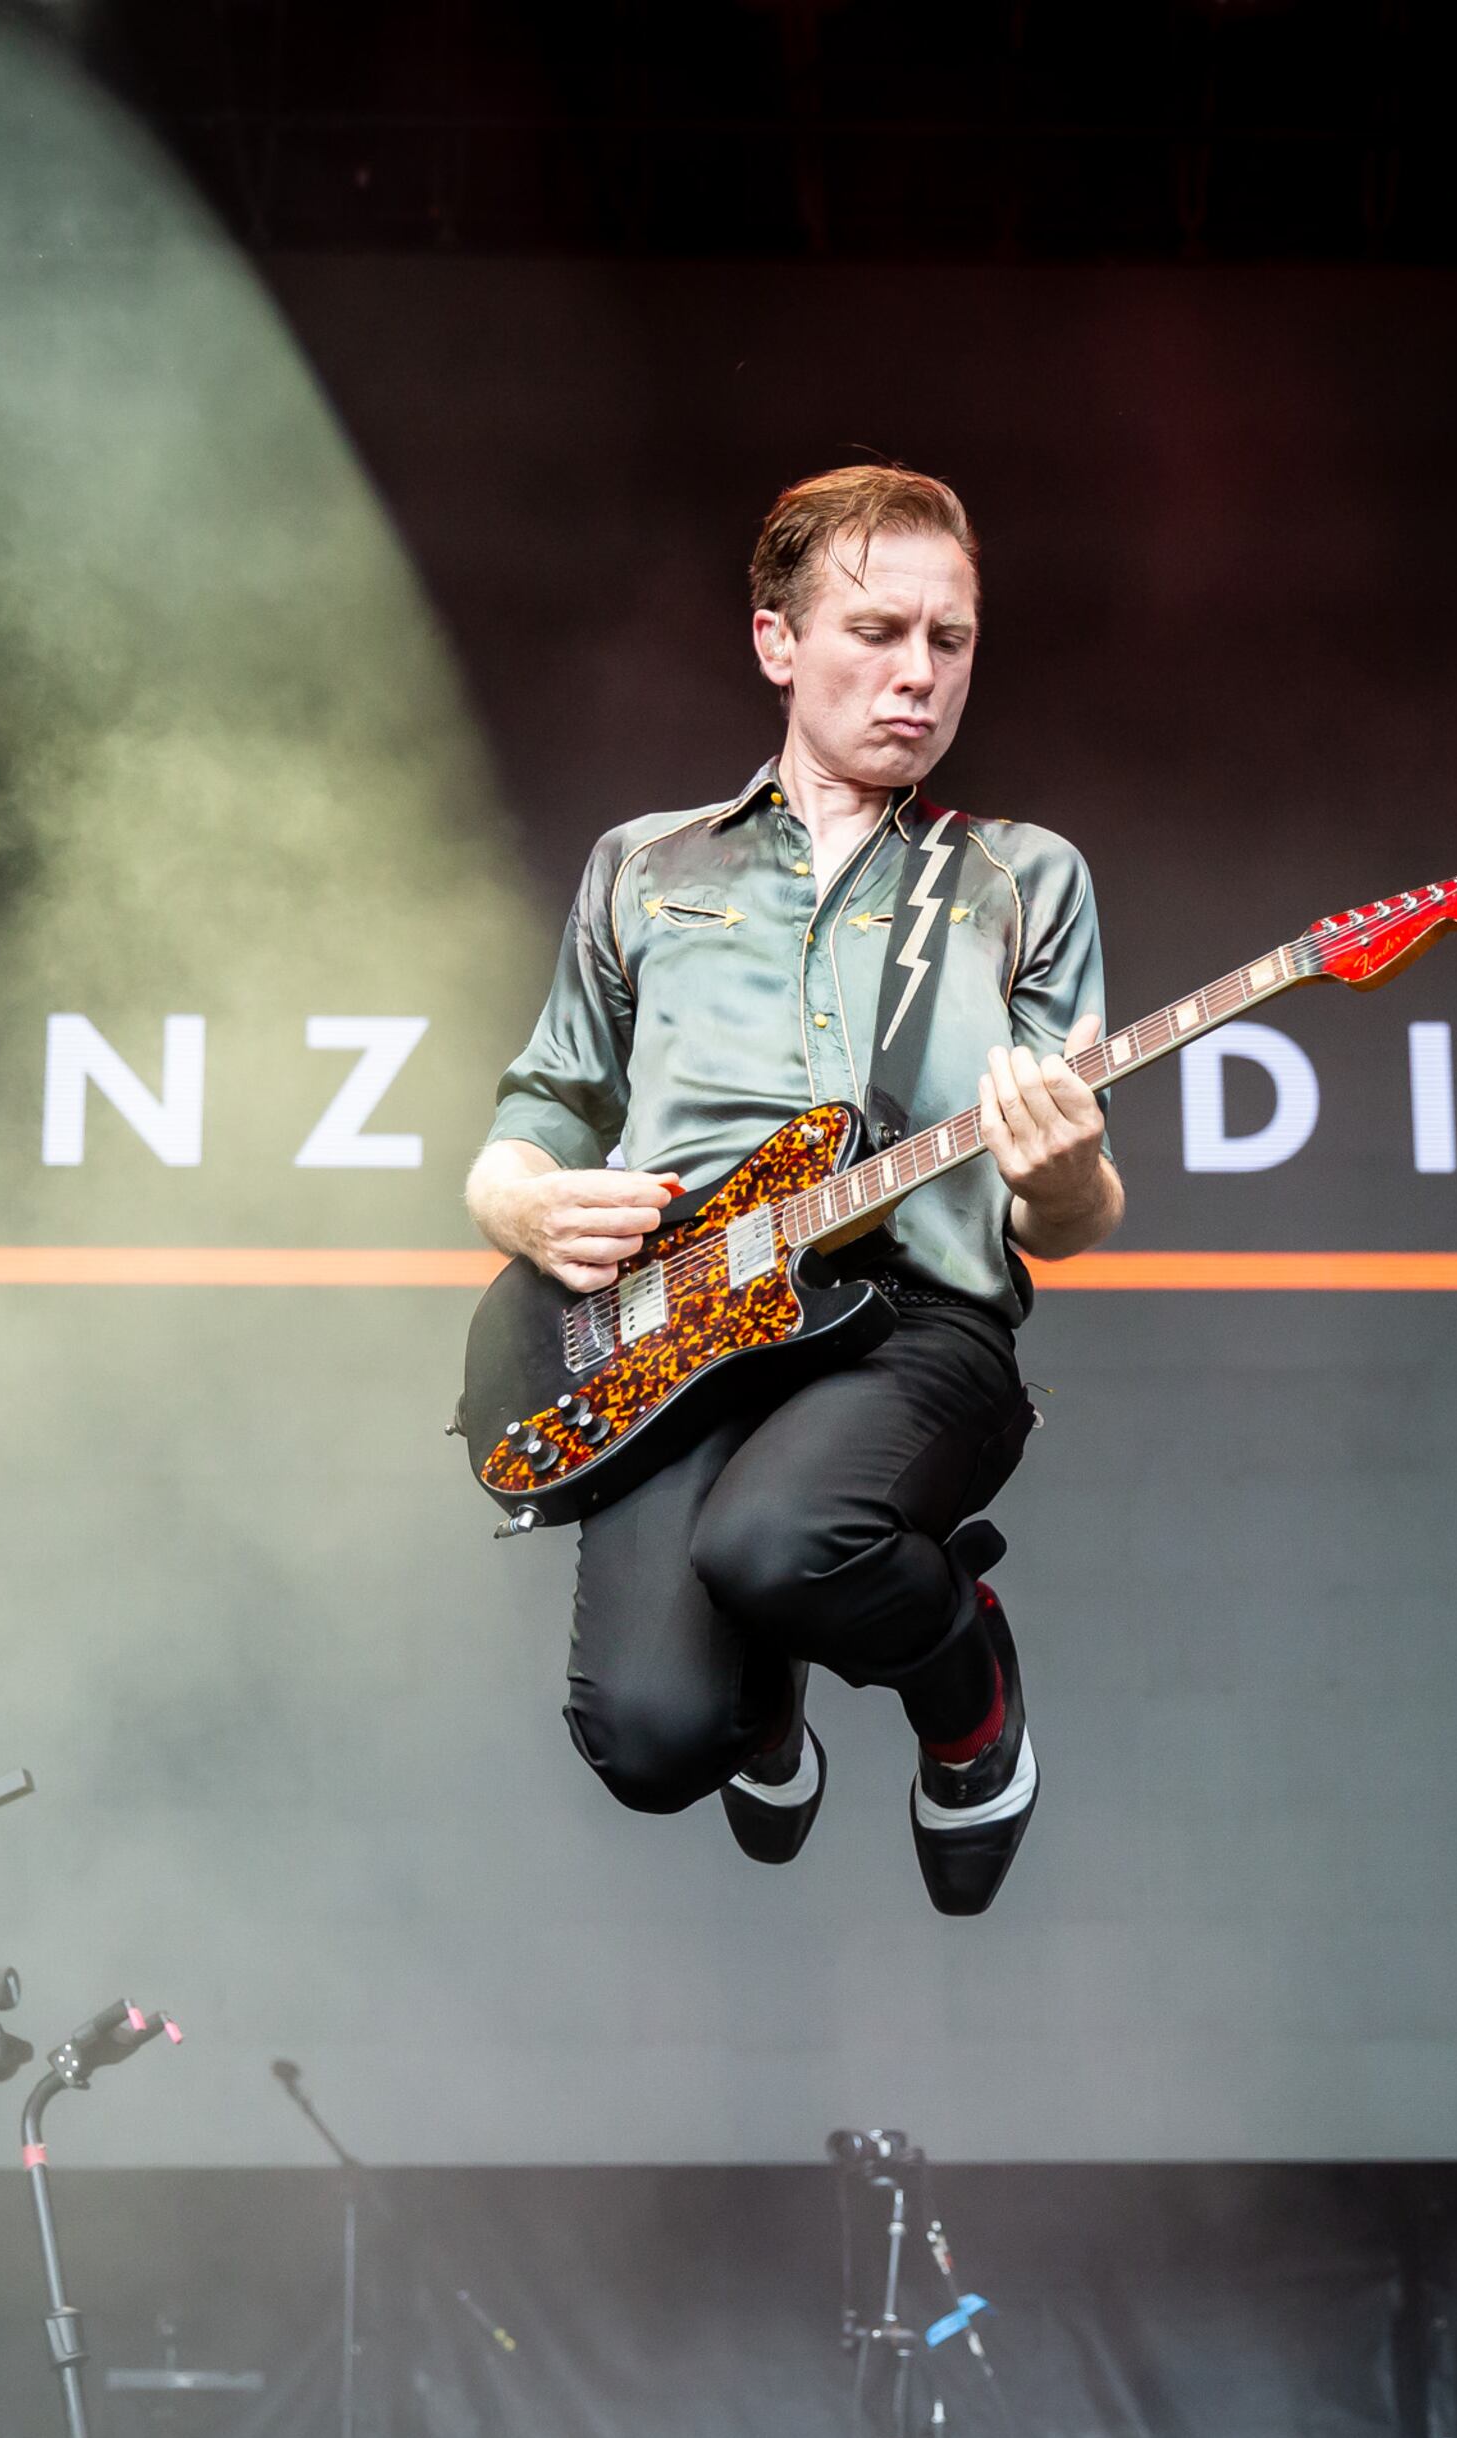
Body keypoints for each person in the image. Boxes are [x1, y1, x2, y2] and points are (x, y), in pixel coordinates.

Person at [465, 465, 1120, 1913]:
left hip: (915, 1332)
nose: (919, 674)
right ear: (777, 641)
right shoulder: (644, 864)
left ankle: (971, 1694)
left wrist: (1068, 1177)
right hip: (682, 1329)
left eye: (950, 641)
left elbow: (1056, 1222)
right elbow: (548, 1100)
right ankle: (759, 1700)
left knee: (779, 1540)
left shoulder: (1020, 878)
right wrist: (514, 1197)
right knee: (646, 1738)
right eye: (877, 631)